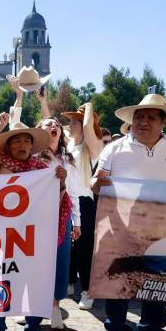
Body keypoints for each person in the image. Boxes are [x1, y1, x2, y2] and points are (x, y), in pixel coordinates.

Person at [91, 93, 166, 331]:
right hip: (120, 230)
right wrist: (96, 183)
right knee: (119, 285)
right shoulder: (114, 148)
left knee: (157, 283)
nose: (144, 122)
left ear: (163, 122)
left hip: (162, 230)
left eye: (151, 117)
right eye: (139, 117)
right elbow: (97, 180)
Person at [0, 118, 67, 331]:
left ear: (31, 146)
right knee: (0, 282)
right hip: (4, 235)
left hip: (32, 238)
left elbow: (55, 205)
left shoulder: (42, 171)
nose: (21, 145)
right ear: (8, 146)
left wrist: (60, 183)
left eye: (25, 141)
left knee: (35, 284)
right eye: (15, 140)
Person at [59, 103, 104, 310]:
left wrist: (89, 108)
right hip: (67, 201)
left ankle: (87, 290)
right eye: (71, 121)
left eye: (76, 121)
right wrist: (42, 101)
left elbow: (88, 129)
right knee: (70, 246)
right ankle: (68, 283)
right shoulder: (69, 147)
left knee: (85, 249)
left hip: (85, 204)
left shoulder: (93, 149)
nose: (72, 124)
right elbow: (52, 130)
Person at [36, 117, 79, 326]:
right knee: (35, 262)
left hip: (62, 217)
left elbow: (74, 191)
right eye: (47, 124)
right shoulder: (31, 157)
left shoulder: (69, 159)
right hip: (35, 218)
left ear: (61, 132)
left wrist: (77, 221)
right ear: (39, 131)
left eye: (56, 125)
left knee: (61, 262)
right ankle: (30, 307)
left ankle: (54, 306)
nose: (53, 126)